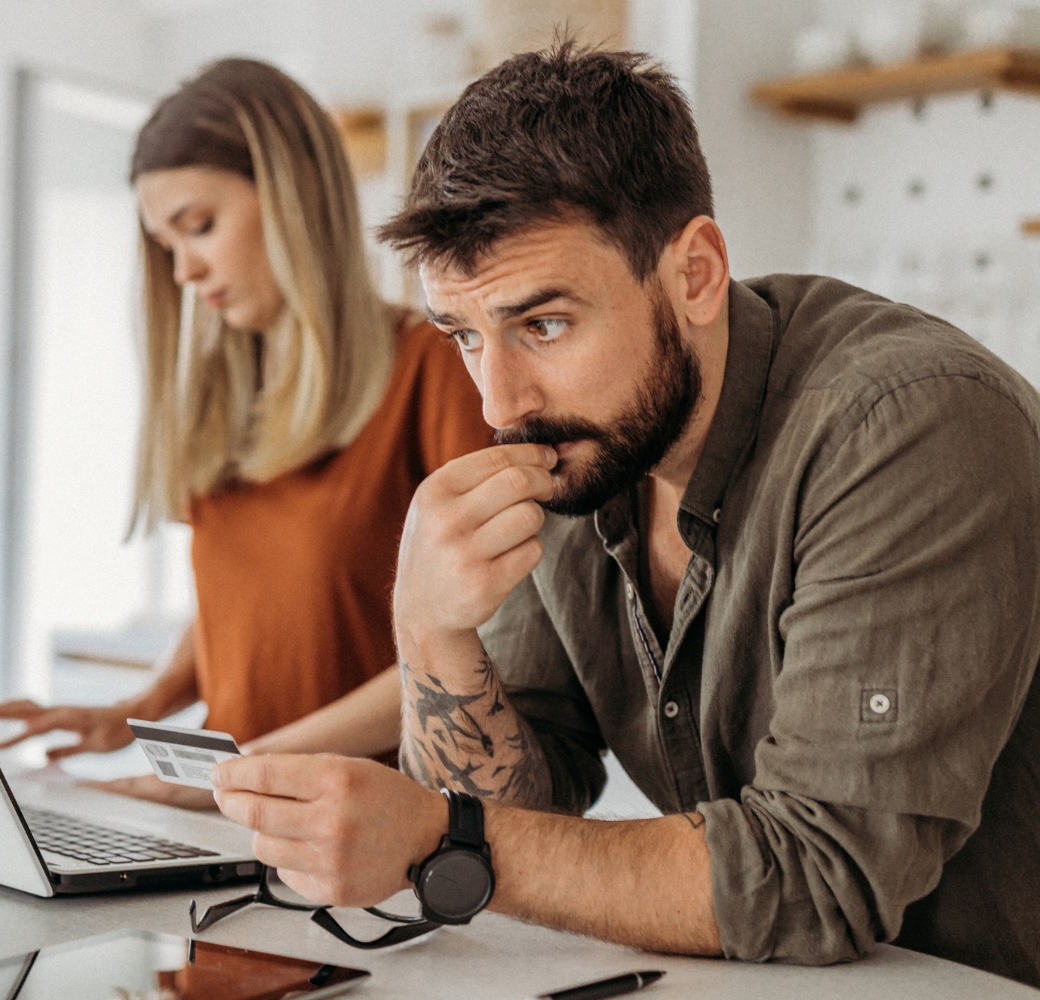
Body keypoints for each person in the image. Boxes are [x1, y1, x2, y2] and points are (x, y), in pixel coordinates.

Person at [210, 43, 1040, 986]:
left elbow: (816, 878)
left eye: (545, 324)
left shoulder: (909, 426)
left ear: (694, 274)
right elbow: (529, 796)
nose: (500, 404)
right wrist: (428, 629)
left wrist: (439, 841)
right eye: (467, 336)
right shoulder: (585, 448)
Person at [0, 59, 490, 807]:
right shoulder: (227, 395)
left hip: (362, 825)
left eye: (200, 226)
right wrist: (141, 708)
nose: (184, 268)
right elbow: (241, 603)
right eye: (167, 245)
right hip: (224, 811)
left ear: (295, 196)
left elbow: (484, 650)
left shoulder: (432, 371)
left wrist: (250, 765)